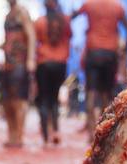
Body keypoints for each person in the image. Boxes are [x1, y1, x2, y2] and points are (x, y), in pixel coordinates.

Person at [72, 0, 127, 136]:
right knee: (106, 94)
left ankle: (90, 133)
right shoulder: (117, 6)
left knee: (90, 94)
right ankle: (104, 131)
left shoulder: (89, 4)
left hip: (93, 53)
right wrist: (124, 49)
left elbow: (72, 16)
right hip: (110, 54)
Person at [34, 0, 73, 146]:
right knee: (54, 99)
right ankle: (56, 131)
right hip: (60, 63)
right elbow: (69, 36)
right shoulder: (65, 20)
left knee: (43, 99)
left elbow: (36, 40)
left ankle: (45, 136)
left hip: (43, 63)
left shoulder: (39, 22)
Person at [2, 0, 37, 148]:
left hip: (20, 62)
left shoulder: (22, 12)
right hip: (8, 63)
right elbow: (9, 40)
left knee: (19, 99)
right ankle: (11, 134)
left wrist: (30, 59)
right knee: (7, 100)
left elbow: (31, 36)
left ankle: (19, 135)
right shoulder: (8, 15)